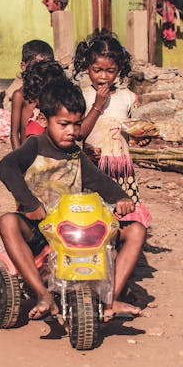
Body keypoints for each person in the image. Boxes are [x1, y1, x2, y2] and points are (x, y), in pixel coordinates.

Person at [0, 76, 142, 320]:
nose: (72, 132)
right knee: (6, 221)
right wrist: (30, 204)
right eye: (64, 124)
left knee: (136, 230)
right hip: (40, 230)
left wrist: (121, 198)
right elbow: (6, 168)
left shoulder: (76, 154)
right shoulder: (34, 145)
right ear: (43, 120)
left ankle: (110, 300)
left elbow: (99, 180)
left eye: (76, 124)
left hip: (74, 229)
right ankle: (42, 293)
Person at [73, 31, 152, 228]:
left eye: (110, 71)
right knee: (95, 216)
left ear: (119, 70)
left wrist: (139, 138)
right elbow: (80, 132)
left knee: (124, 213)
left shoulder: (127, 97)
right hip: (95, 166)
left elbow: (128, 131)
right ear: (87, 67)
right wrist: (98, 105)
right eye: (97, 69)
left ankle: (120, 247)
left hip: (122, 167)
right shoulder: (83, 96)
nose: (103, 76)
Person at [9, 40, 56, 149]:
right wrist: (18, 158)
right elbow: (14, 134)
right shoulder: (20, 96)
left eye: (47, 65)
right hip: (28, 156)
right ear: (23, 66)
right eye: (37, 65)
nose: (42, 70)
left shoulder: (54, 93)